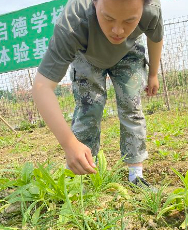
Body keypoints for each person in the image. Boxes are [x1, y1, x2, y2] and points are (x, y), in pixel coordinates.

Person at [32, 0, 163, 187]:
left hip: (128, 51)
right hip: (87, 55)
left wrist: (153, 74)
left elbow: (156, 37)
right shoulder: (73, 21)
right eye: (108, 18)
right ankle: (81, 173)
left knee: (131, 105)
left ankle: (136, 174)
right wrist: (69, 143)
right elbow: (41, 86)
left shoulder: (151, 9)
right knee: (89, 109)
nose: (117, 30)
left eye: (129, 21)